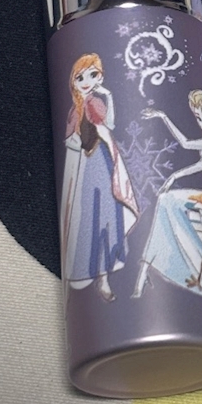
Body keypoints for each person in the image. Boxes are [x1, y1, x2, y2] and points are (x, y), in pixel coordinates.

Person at [133, 91, 202, 324]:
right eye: (198, 119)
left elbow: (185, 143)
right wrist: (174, 176)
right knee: (167, 201)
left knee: (169, 203)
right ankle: (153, 265)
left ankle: (155, 263)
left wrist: (163, 116)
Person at [60, 54, 138, 302]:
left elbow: (110, 125)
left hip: (103, 161)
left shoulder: (96, 102)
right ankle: (91, 273)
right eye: (81, 77)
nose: (87, 82)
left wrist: (109, 96)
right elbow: (70, 140)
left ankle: (104, 277)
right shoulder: (74, 109)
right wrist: (77, 142)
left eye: (93, 75)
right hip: (84, 167)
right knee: (89, 218)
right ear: (73, 81)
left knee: (108, 216)